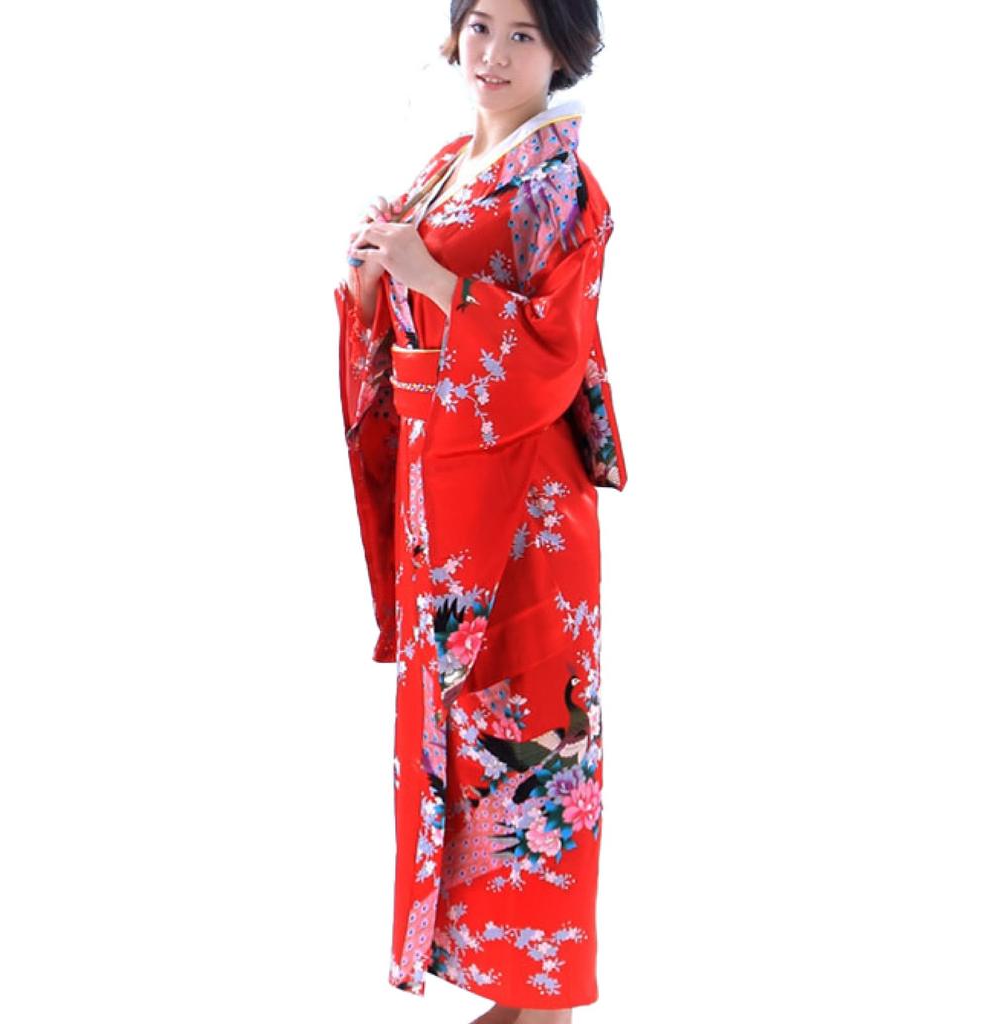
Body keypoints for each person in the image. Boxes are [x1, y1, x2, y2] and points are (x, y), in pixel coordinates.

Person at [334, 1, 627, 1019]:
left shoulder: (563, 186)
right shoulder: (447, 166)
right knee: (456, 742)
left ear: (564, 51)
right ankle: (502, 984)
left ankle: (543, 997)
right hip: (443, 499)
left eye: (523, 35)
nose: (492, 54)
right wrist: (371, 285)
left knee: (532, 740)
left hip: (523, 508)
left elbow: (555, 351)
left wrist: (433, 280)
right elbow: (398, 320)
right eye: (480, 25)